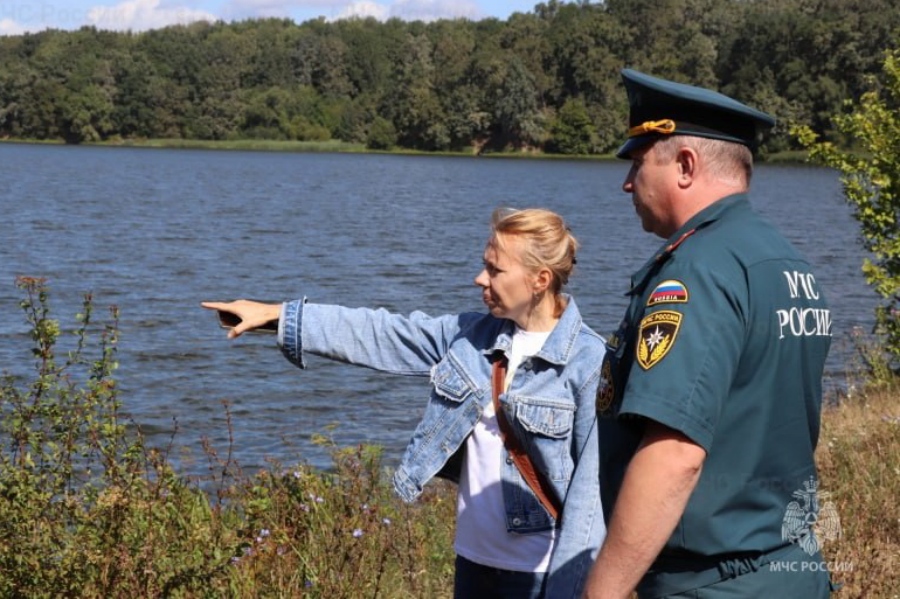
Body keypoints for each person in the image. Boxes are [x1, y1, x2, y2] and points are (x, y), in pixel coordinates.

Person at [203, 207, 606, 598]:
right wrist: (278, 315)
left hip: (537, 575)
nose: (480, 278)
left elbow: (590, 500)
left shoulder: (589, 363)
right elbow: (382, 332)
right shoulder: (470, 335)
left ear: (540, 279)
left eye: (496, 270)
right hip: (472, 562)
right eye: (485, 264)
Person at [583, 70, 834, 598]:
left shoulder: (696, 272)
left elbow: (675, 455)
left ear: (685, 165)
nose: (627, 183)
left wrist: (600, 593)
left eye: (637, 161)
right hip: (790, 568)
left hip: (709, 583)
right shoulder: (786, 262)